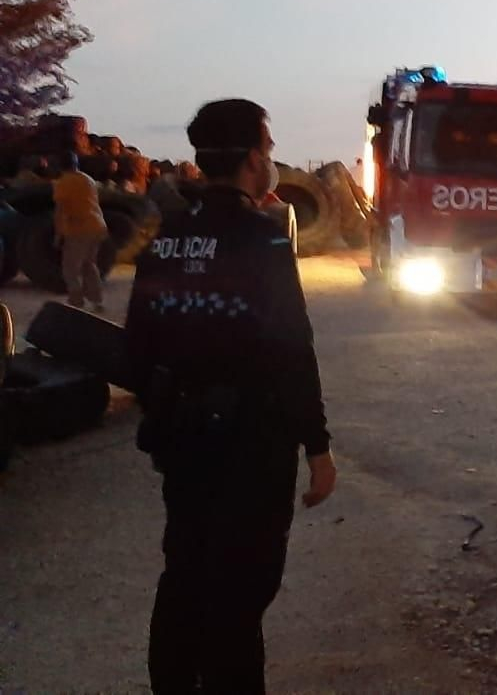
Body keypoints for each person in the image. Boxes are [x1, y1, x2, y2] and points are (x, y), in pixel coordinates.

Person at [125, 99, 335, 694]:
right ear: (250, 159)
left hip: (183, 442)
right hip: (253, 447)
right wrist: (317, 448)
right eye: (267, 149)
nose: (270, 159)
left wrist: (165, 410)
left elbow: (137, 346)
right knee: (241, 597)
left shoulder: (163, 240)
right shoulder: (263, 244)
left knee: (185, 575)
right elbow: (293, 351)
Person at [53, 152, 108, 312]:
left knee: (70, 268)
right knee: (89, 264)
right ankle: (97, 300)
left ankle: (76, 301)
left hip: (79, 228)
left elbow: (60, 211)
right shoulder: (87, 179)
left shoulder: (64, 182)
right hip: (97, 226)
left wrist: (58, 234)